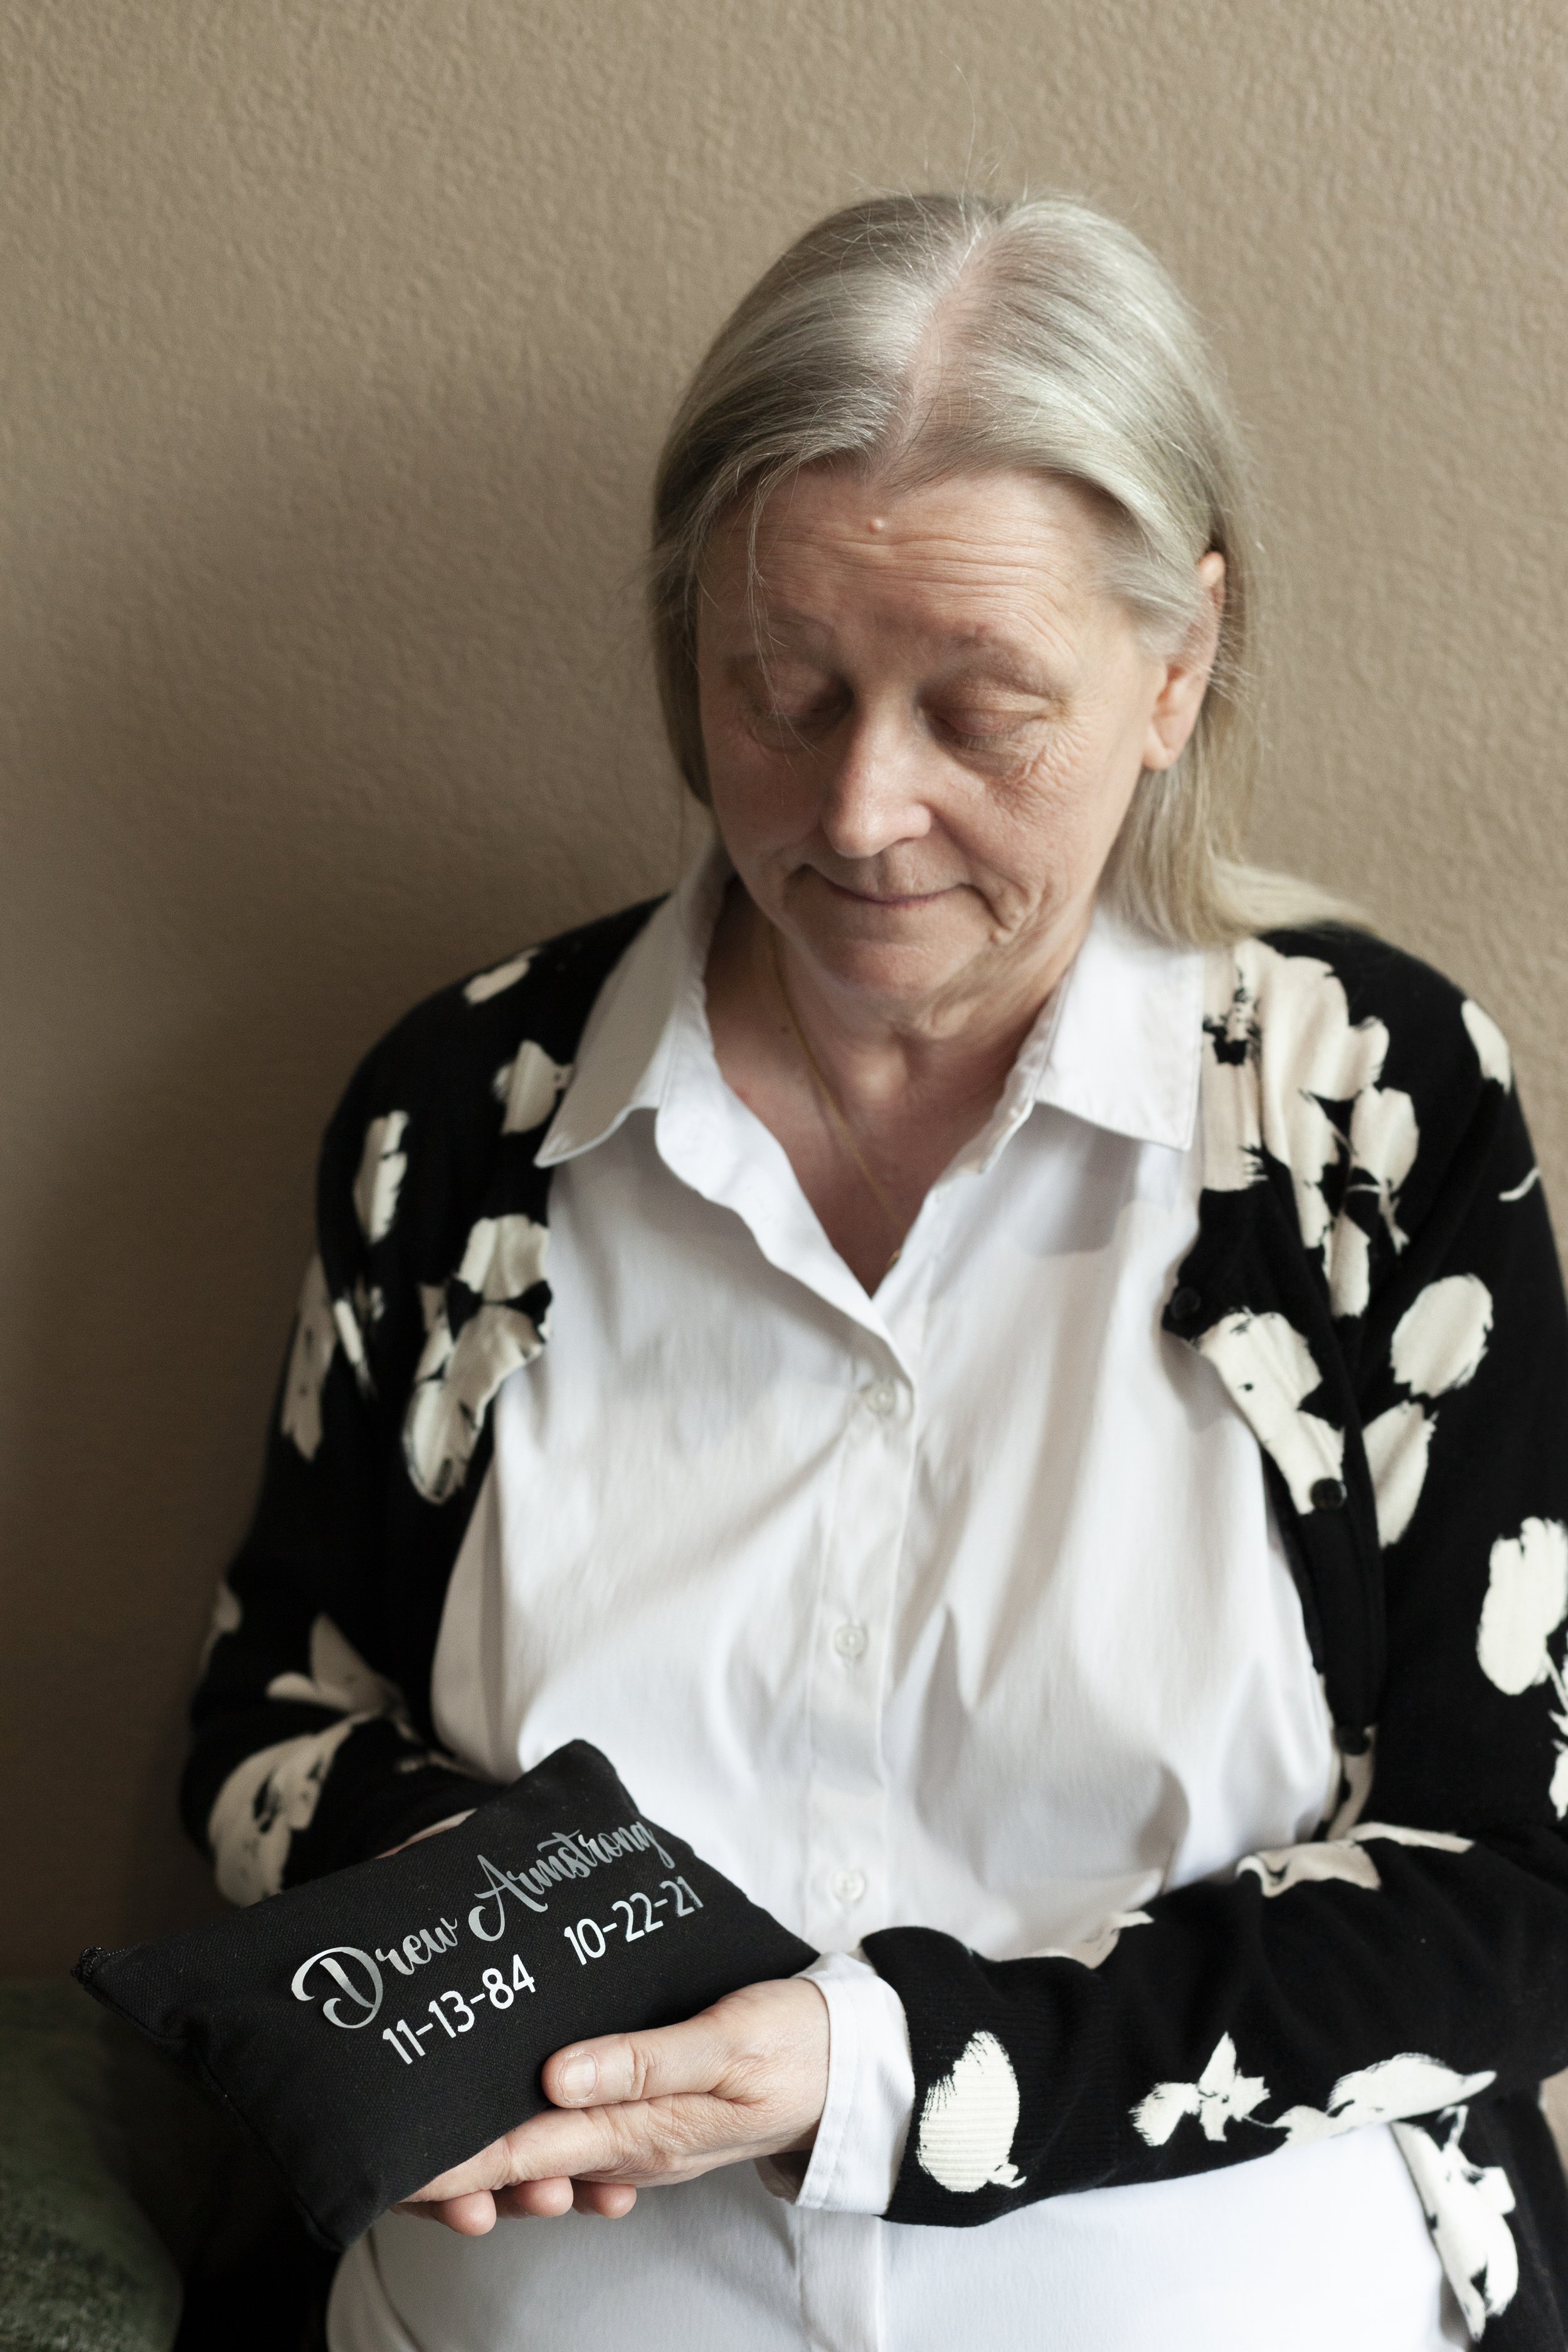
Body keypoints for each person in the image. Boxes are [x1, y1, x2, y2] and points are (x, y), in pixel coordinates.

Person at [184, 193, 1568, 2352]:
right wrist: (576, 1996)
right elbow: (271, 1733)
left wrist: (873, 2068)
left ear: (1174, 667)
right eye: (781, 687)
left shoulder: (1367, 1117)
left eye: (980, 707)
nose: (860, 808)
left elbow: (1508, 1889)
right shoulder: (459, 1120)